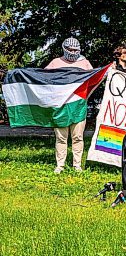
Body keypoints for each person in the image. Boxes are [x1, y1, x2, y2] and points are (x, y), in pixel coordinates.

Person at [46, 37, 93, 173]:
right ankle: (60, 165)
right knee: (61, 137)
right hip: (60, 106)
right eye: (70, 50)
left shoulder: (84, 63)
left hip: (78, 106)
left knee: (78, 137)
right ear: (64, 49)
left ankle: (77, 165)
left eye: (75, 50)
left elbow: (94, 77)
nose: (73, 52)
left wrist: (107, 71)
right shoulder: (55, 63)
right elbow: (43, 78)